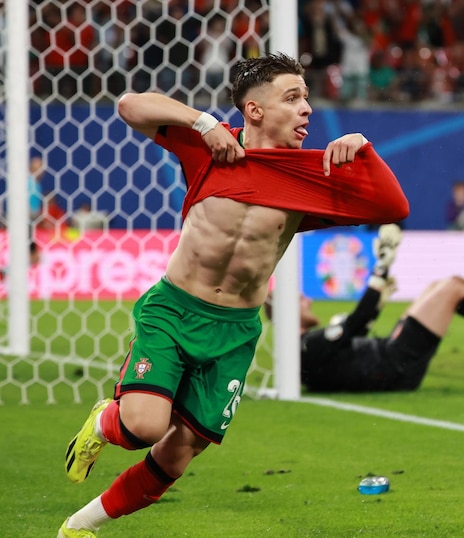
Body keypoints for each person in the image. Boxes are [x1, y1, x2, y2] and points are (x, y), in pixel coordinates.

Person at [58, 52, 409, 538]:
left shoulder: (309, 176)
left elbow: (394, 205)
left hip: (235, 333)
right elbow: (129, 105)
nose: (307, 108)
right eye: (292, 97)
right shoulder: (208, 147)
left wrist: (363, 148)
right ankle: (105, 423)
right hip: (175, 311)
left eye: (307, 97)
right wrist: (202, 122)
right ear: (254, 110)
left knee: (178, 455)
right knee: (143, 427)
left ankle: (79, 526)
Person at [266, 224, 464, 393]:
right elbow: (356, 322)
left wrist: (379, 296)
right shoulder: (306, 348)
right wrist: (381, 267)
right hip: (395, 364)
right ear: (285, 312)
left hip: (391, 357)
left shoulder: (303, 352)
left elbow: (358, 327)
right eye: (301, 300)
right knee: (453, 287)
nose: (309, 301)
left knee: (439, 287)